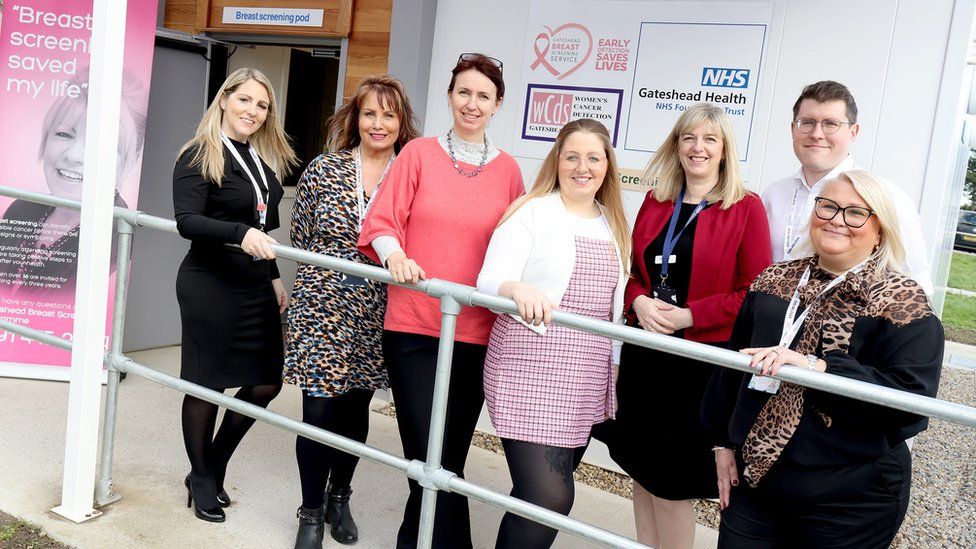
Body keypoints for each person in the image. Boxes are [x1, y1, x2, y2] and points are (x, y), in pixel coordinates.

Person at [703, 169, 943, 548]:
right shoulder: (772, 281)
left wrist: (819, 370)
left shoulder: (902, 303)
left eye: (855, 213)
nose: (836, 220)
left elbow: (909, 402)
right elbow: (730, 369)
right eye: (828, 207)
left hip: (850, 499)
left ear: (880, 229)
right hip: (757, 483)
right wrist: (722, 443)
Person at [357, 53, 524, 548]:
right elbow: (381, 221)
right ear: (450, 96)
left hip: (474, 334)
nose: (472, 104)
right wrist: (395, 258)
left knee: (447, 458)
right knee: (425, 456)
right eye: (464, 92)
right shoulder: (419, 155)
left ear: (497, 106)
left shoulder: (509, 171)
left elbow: (515, 247)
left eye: (483, 96)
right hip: (413, 326)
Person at [605, 103, 771, 548]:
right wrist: (637, 300)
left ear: (723, 151)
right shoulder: (657, 201)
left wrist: (692, 315)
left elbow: (755, 295)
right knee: (642, 466)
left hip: (695, 365)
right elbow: (631, 272)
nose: (698, 148)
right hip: (645, 356)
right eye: (689, 138)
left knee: (671, 480)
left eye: (709, 140)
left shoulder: (745, 208)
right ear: (676, 146)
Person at [476, 118, 630, 548]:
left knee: (535, 495)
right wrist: (516, 288)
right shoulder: (533, 209)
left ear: (607, 166)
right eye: (572, 156)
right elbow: (488, 282)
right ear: (557, 161)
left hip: (584, 376)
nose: (583, 167)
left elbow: (614, 312)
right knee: (549, 497)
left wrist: (614, 366)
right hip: (530, 366)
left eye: (594, 157)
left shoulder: (613, 221)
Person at [284, 74, 420, 548]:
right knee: (318, 411)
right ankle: (311, 512)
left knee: (355, 409)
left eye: (389, 114)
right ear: (355, 118)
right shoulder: (324, 168)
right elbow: (300, 239)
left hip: (378, 307)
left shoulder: (412, 172)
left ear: (402, 123)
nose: (378, 123)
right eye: (369, 113)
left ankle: (340, 494)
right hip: (322, 304)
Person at [172, 67, 298, 523]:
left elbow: (263, 230)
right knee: (206, 382)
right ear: (224, 99)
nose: (253, 111)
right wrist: (239, 232)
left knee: (266, 381)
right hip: (209, 282)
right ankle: (202, 477)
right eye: (245, 100)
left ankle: (215, 461)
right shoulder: (199, 155)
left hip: (252, 285)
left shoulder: (261, 165)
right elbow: (187, 220)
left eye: (262, 105)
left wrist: (274, 277)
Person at [762, 80, 933, 295]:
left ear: (853, 132)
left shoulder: (887, 198)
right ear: (793, 129)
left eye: (831, 124)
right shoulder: (773, 195)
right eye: (807, 122)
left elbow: (917, 283)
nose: (816, 133)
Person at [0, 72, 147, 296]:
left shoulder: (118, 236)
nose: (75, 156)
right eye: (64, 133)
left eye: (101, 143)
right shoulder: (22, 209)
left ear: (131, 160)